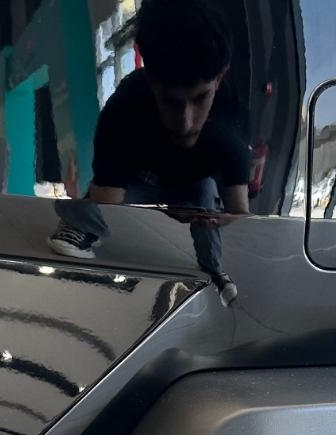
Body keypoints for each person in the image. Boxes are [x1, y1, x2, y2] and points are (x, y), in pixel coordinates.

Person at [48, 0, 248, 305]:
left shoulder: (228, 120)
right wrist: (163, 210)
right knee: (97, 204)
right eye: (171, 101)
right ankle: (81, 226)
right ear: (151, 81)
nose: (185, 123)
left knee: (207, 197)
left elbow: (240, 215)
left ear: (220, 78)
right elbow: (110, 204)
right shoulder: (123, 110)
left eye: (199, 99)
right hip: (138, 180)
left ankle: (215, 270)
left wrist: (215, 219)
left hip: (195, 186)